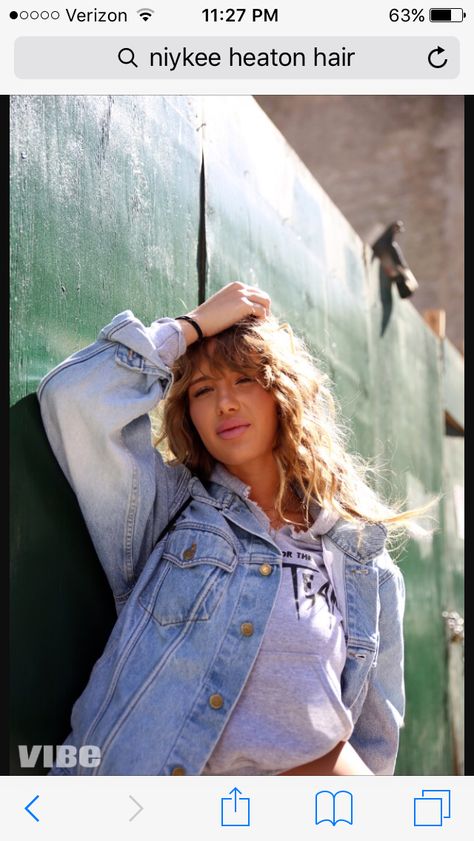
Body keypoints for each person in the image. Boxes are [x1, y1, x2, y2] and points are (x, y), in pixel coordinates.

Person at [37, 281, 428, 776]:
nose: (224, 402)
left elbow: (376, 737)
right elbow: (73, 400)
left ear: (281, 394)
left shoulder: (362, 561)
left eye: (244, 380)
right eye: (203, 390)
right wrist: (190, 327)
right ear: (189, 415)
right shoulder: (170, 510)